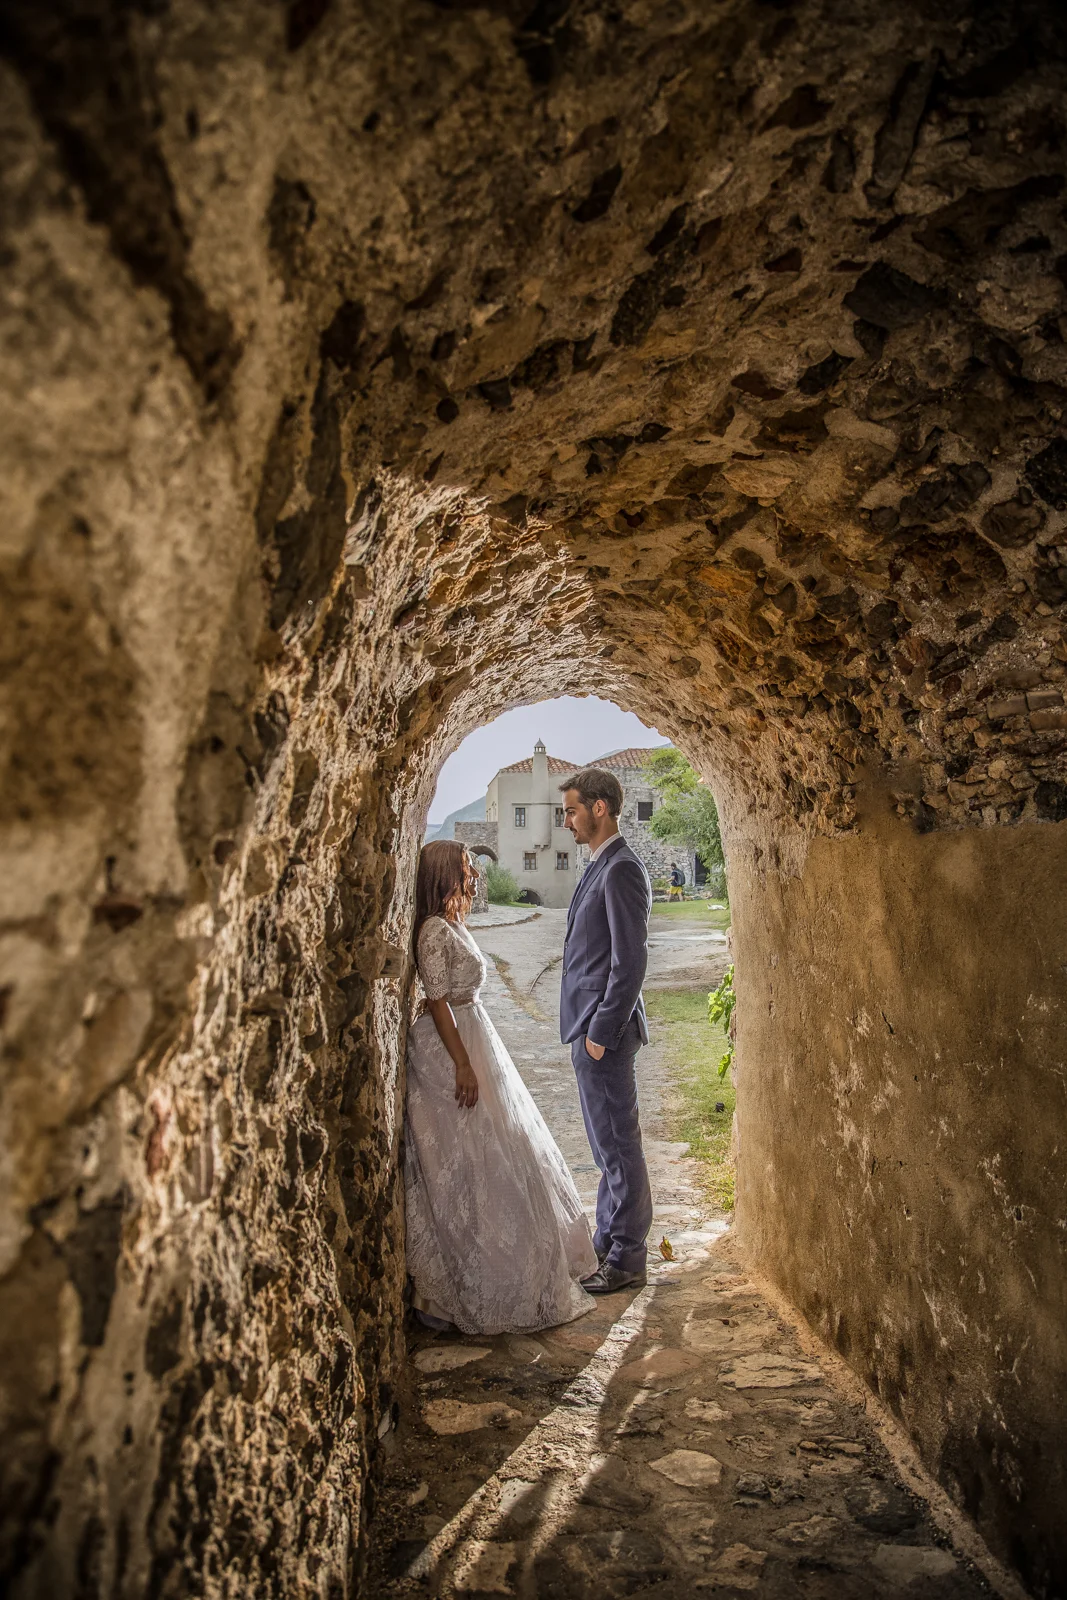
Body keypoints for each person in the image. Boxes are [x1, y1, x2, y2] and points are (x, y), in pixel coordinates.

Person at [404, 840, 597, 1333]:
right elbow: (438, 1001)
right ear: (445, 873)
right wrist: (462, 1065)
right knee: (467, 1154)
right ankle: (459, 1284)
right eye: (467, 869)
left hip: (475, 1035)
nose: (474, 878)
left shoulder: (453, 924)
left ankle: (514, 1269)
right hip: (450, 1049)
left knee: (502, 1145)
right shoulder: (431, 930)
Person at [559, 769, 654, 1294]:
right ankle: (607, 1237)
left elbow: (630, 960)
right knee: (604, 1145)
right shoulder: (599, 864)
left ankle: (629, 1256)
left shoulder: (622, 869)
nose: (567, 820)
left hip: (606, 1033)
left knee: (619, 1144)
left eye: (572, 810)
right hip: (587, 1027)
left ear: (600, 808)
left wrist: (600, 1030)